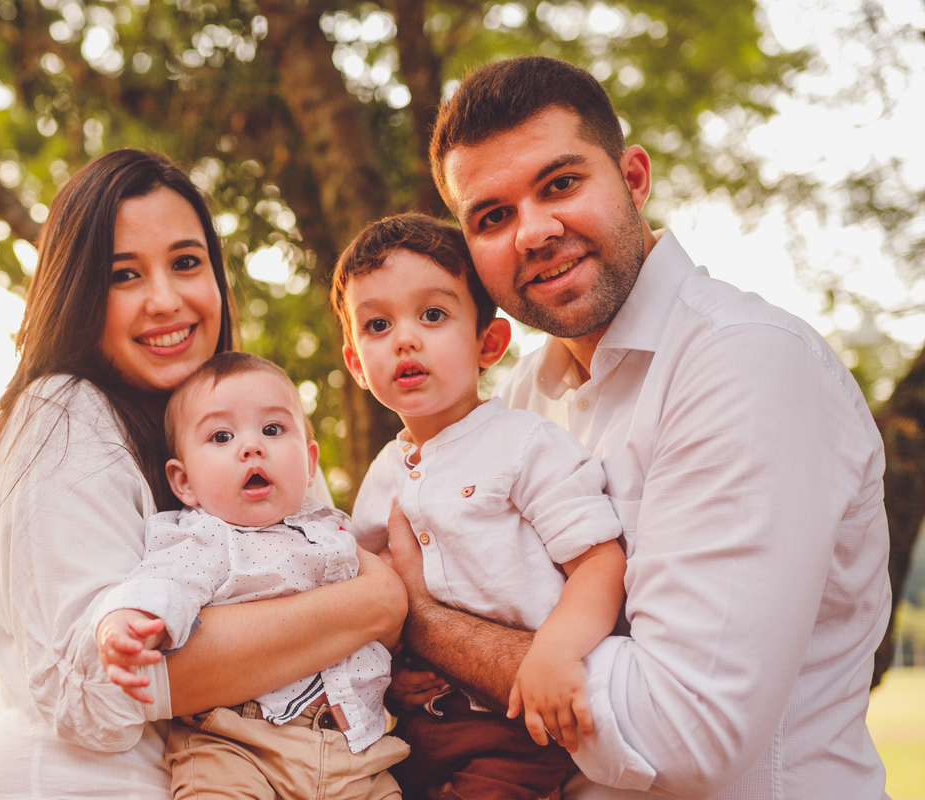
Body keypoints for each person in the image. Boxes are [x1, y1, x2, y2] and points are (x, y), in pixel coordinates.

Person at [380, 55, 892, 799]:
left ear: (635, 178)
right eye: (493, 217)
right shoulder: (517, 398)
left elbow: (682, 732)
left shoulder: (744, 362)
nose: (534, 232)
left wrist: (425, 625)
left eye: (561, 184)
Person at [0, 149, 406, 799]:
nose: (165, 300)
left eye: (187, 263)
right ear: (79, 294)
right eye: (124, 275)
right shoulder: (62, 411)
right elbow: (95, 687)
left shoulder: (245, 427)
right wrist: (372, 602)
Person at [332, 213, 625, 800]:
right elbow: (367, 591)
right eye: (378, 325)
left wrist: (556, 651)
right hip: (416, 727)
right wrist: (392, 671)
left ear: (487, 343)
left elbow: (600, 562)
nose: (404, 339)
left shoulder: (525, 445)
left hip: (514, 725)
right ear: (358, 364)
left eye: (432, 315)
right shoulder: (383, 475)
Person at [99, 351, 409, 800]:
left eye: (272, 429)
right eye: (222, 436)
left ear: (309, 463)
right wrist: (127, 621)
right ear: (184, 482)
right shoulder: (205, 537)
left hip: (355, 749)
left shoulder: (336, 531)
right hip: (237, 742)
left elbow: (380, 616)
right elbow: (164, 585)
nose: (252, 447)